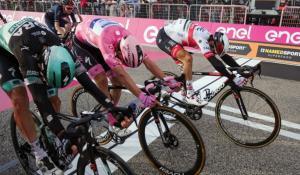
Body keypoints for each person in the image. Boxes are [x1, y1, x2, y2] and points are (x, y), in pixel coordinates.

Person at [0, 18, 131, 174]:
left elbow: (88, 84)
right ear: (42, 67)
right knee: (20, 99)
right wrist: (62, 134)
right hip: (8, 53)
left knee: (54, 99)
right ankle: (38, 152)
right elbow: (40, 99)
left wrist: (111, 107)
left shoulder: (64, 49)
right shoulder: (26, 56)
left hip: (38, 45)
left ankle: (49, 135)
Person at [68, 18, 181, 135]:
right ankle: (110, 114)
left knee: (117, 81)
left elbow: (148, 62)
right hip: (82, 43)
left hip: (101, 37)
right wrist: (141, 96)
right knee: (101, 78)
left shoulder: (131, 41)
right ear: (118, 52)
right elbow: (122, 74)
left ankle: (112, 109)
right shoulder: (106, 42)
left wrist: (166, 79)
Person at [156, 18, 246, 106]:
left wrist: (241, 69)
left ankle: (174, 94)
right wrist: (233, 77)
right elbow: (215, 64)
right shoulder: (202, 37)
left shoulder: (211, 39)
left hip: (174, 38)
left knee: (183, 77)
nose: (215, 52)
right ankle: (190, 94)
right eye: (216, 50)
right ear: (214, 43)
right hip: (164, 37)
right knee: (187, 59)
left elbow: (223, 56)